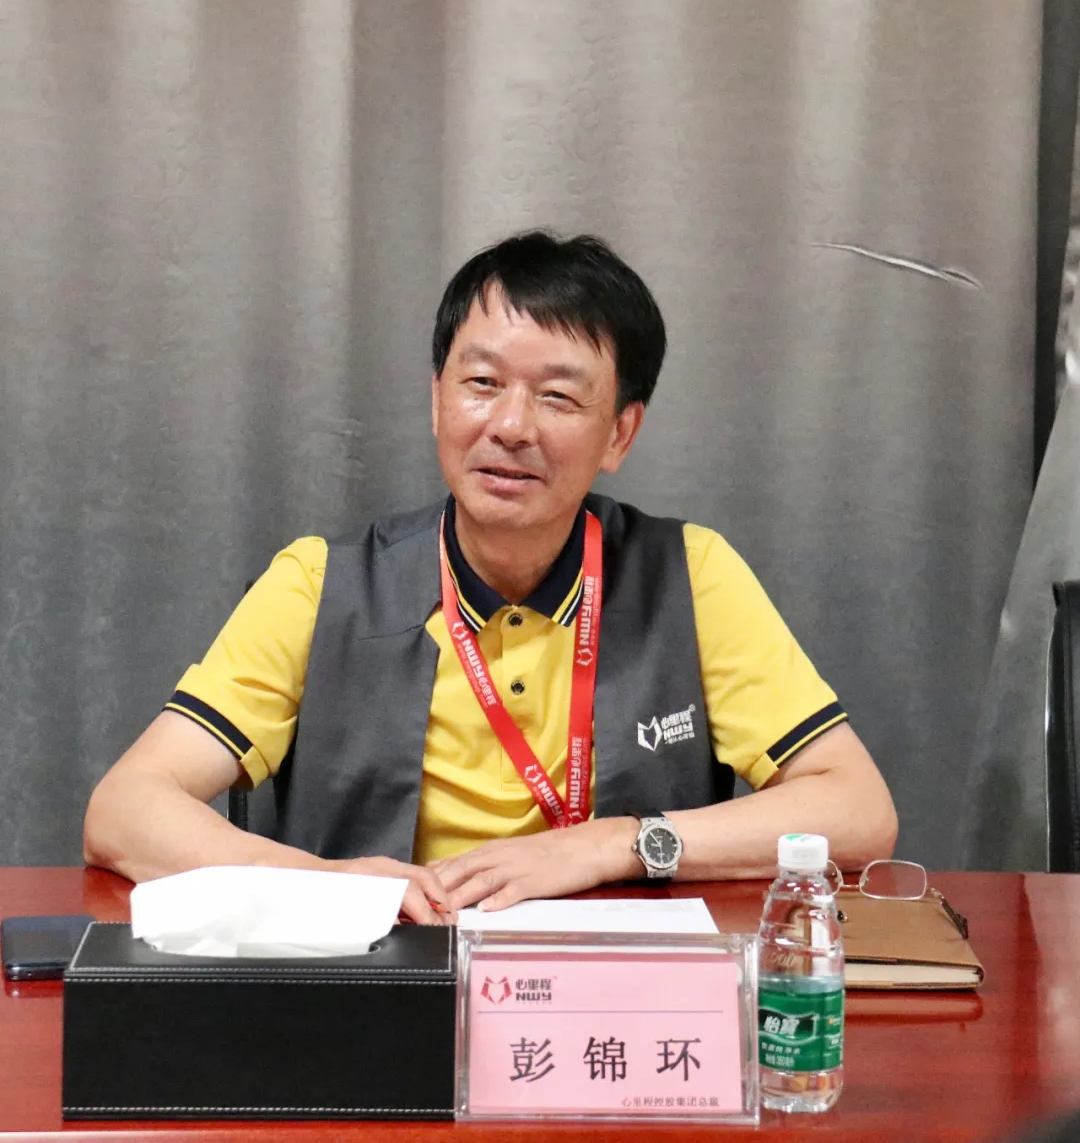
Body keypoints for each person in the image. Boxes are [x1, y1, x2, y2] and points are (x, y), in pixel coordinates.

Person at [84, 231, 897, 925]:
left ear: (620, 433)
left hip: (619, 1002)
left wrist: (616, 843)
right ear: (437, 400)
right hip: (382, 990)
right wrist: (323, 881)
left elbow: (860, 811)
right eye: (481, 383)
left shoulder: (690, 576)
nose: (511, 425)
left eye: (557, 397)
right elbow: (123, 810)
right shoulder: (320, 584)